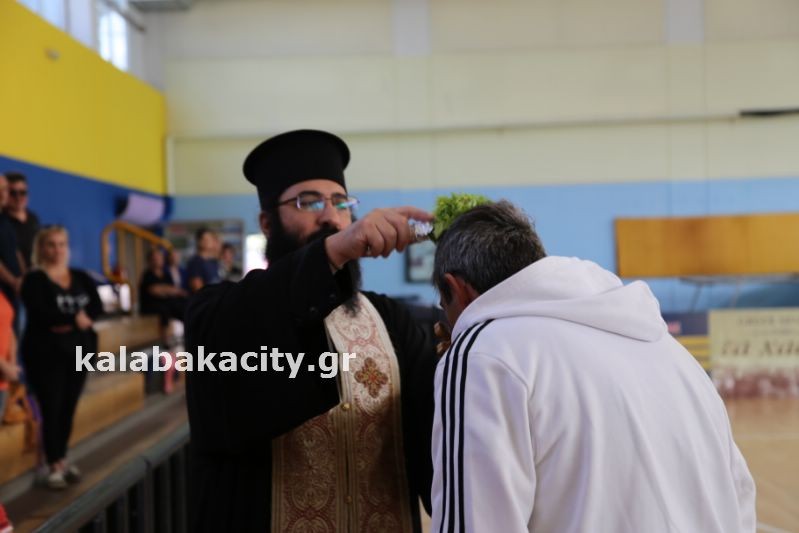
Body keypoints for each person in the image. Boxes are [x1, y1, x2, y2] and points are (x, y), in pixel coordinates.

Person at [429, 201, 756, 533]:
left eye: (444, 307)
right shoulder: (673, 352)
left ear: (457, 289)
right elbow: (739, 496)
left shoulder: (484, 354)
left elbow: (475, 523)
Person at [185, 129, 438, 532]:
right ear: (267, 223)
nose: (330, 217)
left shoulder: (392, 320)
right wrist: (333, 251)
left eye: (341, 203)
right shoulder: (218, 312)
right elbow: (241, 338)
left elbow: (435, 436)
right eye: (309, 202)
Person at [21, 226, 103, 490]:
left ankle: (62, 458)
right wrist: (74, 319)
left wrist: (74, 321)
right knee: (51, 407)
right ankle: (53, 464)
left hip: (79, 351)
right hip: (46, 354)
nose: (57, 250)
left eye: (61, 244)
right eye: (51, 244)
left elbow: (96, 306)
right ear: (41, 248)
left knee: (68, 407)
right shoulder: (34, 279)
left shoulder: (80, 276)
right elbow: (42, 314)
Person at [138, 248, 188, 345]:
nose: (158, 261)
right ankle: (165, 341)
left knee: (183, 306)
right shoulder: (147, 275)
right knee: (164, 309)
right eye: (155, 259)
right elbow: (155, 290)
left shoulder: (166, 275)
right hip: (150, 305)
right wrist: (168, 290)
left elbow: (173, 290)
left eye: (159, 258)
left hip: (166, 302)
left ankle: (187, 336)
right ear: (149, 261)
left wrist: (165, 290)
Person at [0, 175, 23, 335]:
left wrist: (24, 279)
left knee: (14, 337)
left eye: (5, 189)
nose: (3, 194)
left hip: (13, 294)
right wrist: (14, 281)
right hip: (3, 293)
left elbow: (16, 252)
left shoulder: (6, 220)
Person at [4, 172, 40, 271]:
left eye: (22, 192)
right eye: (13, 193)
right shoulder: (2, 222)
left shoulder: (33, 219)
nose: (18, 197)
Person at [185, 227, 221, 293]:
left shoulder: (212, 262)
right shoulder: (196, 262)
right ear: (199, 242)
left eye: (211, 239)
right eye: (207, 239)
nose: (210, 241)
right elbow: (198, 289)